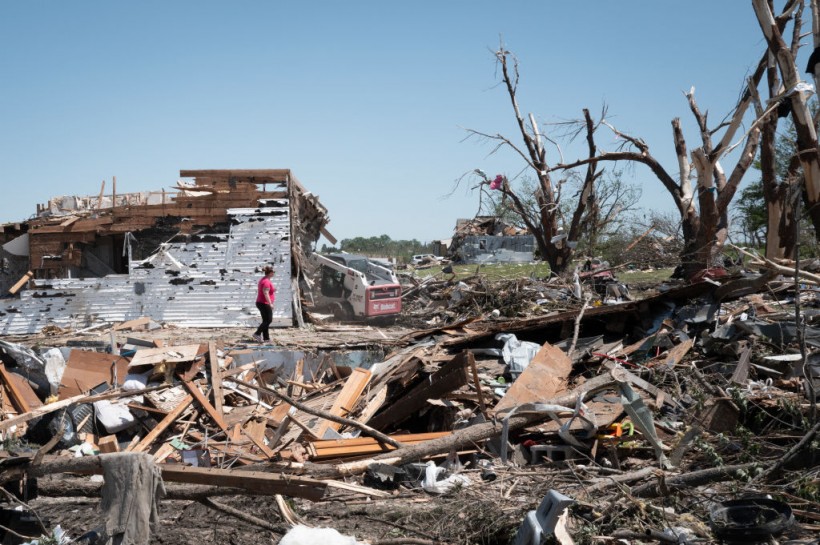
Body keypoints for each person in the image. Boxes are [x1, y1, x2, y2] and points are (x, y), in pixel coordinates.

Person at [252, 266, 276, 342]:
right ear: (270, 273)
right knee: (268, 320)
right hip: (264, 303)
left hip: (261, 302)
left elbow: (267, 291)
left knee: (265, 320)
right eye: (273, 272)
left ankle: (266, 338)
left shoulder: (264, 279)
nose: (274, 274)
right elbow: (265, 293)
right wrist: (270, 304)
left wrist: (273, 290)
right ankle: (257, 334)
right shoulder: (266, 281)